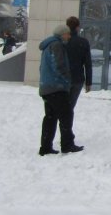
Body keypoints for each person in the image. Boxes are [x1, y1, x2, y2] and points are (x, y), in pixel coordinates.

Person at [38, 25, 83, 156]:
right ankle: (67, 144)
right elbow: (59, 65)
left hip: (46, 87)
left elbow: (43, 67)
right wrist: (67, 81)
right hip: (56, 87)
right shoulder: (57, 45)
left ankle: (45, 147)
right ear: (62, 34)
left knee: (50, 117)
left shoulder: (47, 45)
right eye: (67, 34)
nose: (69, 36)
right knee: (66, 115)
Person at [64, 16, 92, 109]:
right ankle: (67, 122)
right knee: (70, 107)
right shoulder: (83, 42)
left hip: (62, 78)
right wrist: (88, 82)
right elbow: (88, 63)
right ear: (77, 27)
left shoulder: (62, 41)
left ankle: (62, 120)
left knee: (61, 106)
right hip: (77, 79)